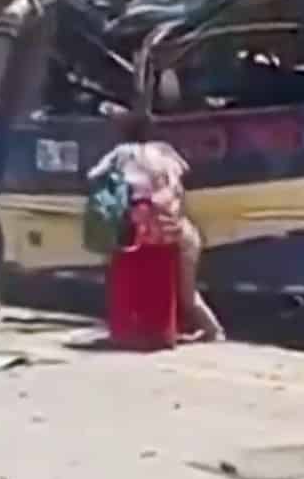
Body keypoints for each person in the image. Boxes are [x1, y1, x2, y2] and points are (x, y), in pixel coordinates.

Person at [89, 112, 225, 342]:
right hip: (182, 232)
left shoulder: (123, 153)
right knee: (186, 293)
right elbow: (182, 173)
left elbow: (93, 175)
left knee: (137, 281)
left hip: (154, 235)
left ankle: (210, 331)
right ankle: (206, 329)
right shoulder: (165, 152)